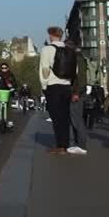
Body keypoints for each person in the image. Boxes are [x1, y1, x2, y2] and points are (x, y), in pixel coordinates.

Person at [39, 26, 74, 155]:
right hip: (67, 86)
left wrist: (44, 86)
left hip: (53, 86)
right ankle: (65, 145)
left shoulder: (47, 49)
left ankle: (60, 145)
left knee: (56, 116)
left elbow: (44, 69)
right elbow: (74, 70)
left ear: (51, 35)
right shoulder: (69, 49)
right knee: (65, 116)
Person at [65, 39, 88, 155]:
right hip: (76, 91)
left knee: (77, 119)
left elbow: (81, 78)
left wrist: (76, 93)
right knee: (75, 118)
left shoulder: (77, 59)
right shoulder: (78, 58)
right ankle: (77, 143)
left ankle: (81, 145)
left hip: (76, 92)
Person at [0, 62, 18, 128]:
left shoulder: (11, 75)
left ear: (8, 68)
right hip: (0, 91)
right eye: (2, 68)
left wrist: (13, 87)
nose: (4, 69)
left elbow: (15, 84)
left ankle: (10, 121)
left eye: (5, 68)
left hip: (9, 92)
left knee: (9, 106)